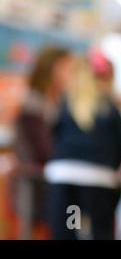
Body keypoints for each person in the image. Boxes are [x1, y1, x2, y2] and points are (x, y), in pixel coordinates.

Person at [44, 54, 121, 240]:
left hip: (63, 174)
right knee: (99, 232)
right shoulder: (109, 107)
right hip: (99, 177)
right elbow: (120, 146)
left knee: (64, 233)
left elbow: (53, 138)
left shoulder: (64, 104)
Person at [13, 46, 74, 239]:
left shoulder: (59, 101)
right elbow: (43, 151)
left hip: (52, 184)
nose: (70, 75)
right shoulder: (33, 104)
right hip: (35, 188)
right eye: (67, 68)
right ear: (52, 69)